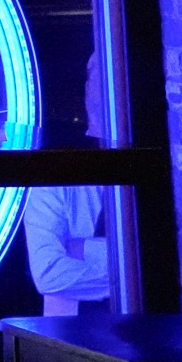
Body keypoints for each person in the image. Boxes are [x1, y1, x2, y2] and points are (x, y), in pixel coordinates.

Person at [23, 55, 112, 315]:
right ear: (86, 90)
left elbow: (164, 259)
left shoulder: (157, 164)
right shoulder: (55, 173)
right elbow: (48, 273)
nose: (108, 89)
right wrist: (131, 270)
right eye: (96, 76)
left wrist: (85, 249)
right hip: (71, 342)